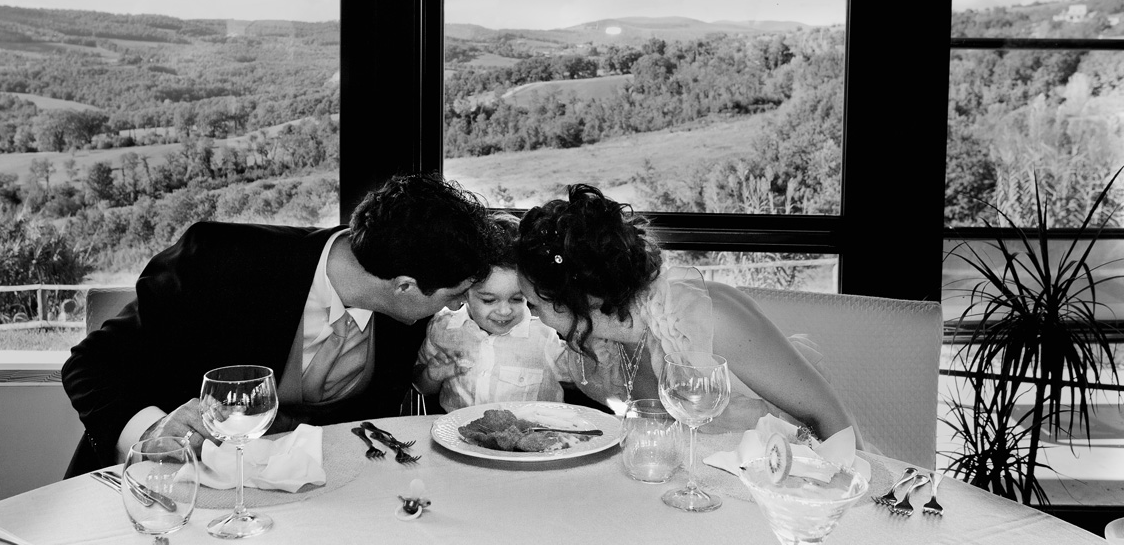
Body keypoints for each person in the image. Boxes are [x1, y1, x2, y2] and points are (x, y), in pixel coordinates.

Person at [61, 172, 498, 476]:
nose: (458, 306)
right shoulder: (218, 262)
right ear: (404, 286)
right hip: (164, 489)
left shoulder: (407, 311)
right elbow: (90, 364)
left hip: (314, 507)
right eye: (456, 294)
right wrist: (152, 431)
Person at [516, 183, 865, 448]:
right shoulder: (595, 343)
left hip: (786, 488)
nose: (534, 317)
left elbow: (830, 417)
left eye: (534, 305)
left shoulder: (708, 318)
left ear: (578, 300)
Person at [413, 215, 565, 412]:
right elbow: (420, 386)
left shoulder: (543, 334)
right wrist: (431, 376)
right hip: (456, 430)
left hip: (530, 431)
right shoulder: (442, 327)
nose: (504, 311)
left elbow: (586, 378)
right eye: (489, 300)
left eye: (517, 299)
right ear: (464, 293)